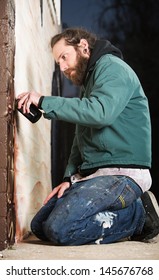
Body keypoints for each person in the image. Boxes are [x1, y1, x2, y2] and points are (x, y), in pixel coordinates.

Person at [17, 28, 159, 245]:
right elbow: (79, 138)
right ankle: (125, 210)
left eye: (64, 57)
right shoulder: (88, 83)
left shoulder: (113, 68)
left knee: (59, 229)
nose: (62, 67)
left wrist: (44, 101)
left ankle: (138, 215)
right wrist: (68, 178)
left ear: (83, 46)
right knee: (40, 226)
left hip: (122, 173)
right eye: (58, 63)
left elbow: (100, 112)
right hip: (95, 174)